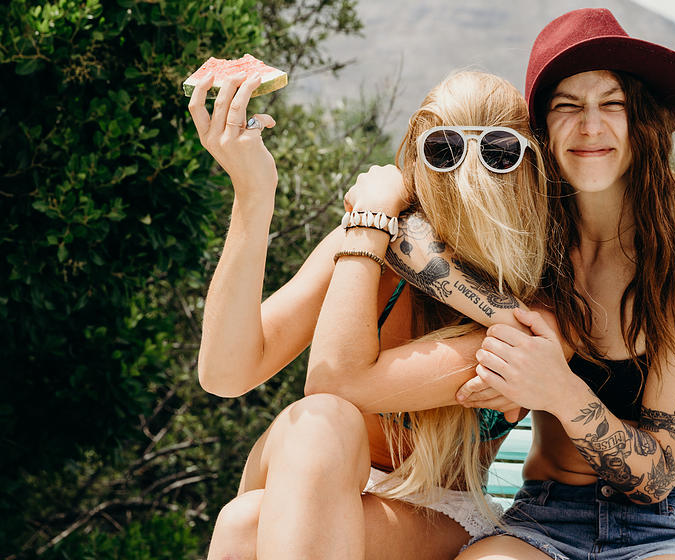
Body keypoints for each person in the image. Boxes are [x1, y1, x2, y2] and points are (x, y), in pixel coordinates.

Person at [389, 8, 675, 560]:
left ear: (641, 121)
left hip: (668, 524)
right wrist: (513, 321)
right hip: (546, 515)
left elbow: (656, 477)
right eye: (567, 107)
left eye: (611, 105)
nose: (590, 126)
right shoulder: (530, 239)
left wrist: (557, 387)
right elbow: (405, 232)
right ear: (540, 132)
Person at [187, 69, 552, 559]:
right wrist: (253, 192)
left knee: (241, 526)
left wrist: (366, 225)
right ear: (414, 161)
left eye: (499, 153)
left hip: (435, 507)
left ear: (532, 165)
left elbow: (335, 378)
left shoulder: (539, 290)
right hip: (316, 468)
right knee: (320, 422)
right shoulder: (370, 244)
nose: (469, 174)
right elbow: (225, 373)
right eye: (442, 151)